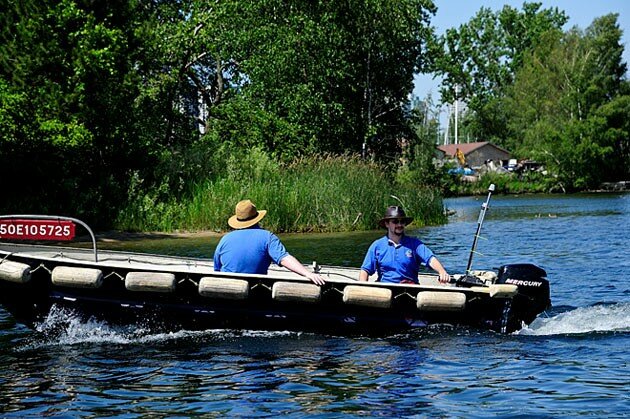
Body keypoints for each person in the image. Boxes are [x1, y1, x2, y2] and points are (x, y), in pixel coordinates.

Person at [213, 199, 326, 285]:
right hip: (253, 291)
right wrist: (308, 273)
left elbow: (217, 269)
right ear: (257, 218)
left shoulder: (225, 239)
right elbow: (284, 258)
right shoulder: (267, 237)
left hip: (227, 289)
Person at [359, 206, 450, 284]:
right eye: (395, 221)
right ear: (387, 224)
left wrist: (441, 271)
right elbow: (365, 270)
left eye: (402, 221)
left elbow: (430, 259)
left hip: (409, 290)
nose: (399, 224)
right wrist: (362, 287)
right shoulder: (377, 246)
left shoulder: (414, 244)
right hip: (385, 290)